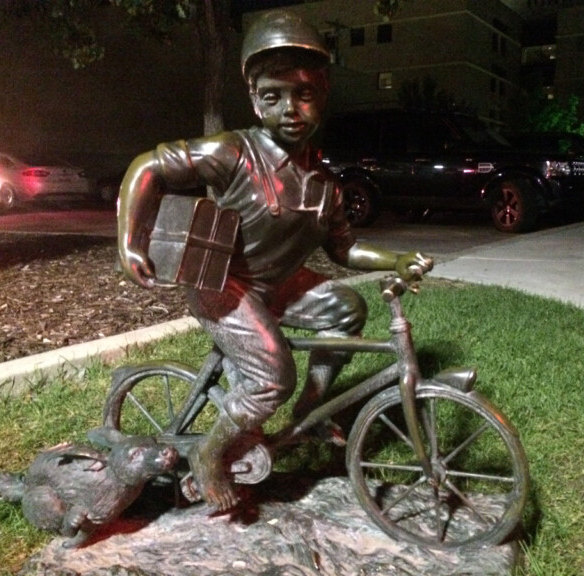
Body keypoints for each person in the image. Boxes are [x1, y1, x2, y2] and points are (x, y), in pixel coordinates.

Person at [116, 10, 433, 512]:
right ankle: (208, 455)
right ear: (253, 98)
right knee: (271, 377)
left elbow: (343, 248)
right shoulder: (234, 153)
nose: (290, 109)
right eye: (273, 96)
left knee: (346, 308)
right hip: (227, 287)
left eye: (304, 95)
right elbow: (149, 166)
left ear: (323, 95)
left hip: (278, 285)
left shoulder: (323, 180)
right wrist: (130, 242)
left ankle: (311, 409)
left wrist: (395, 260)